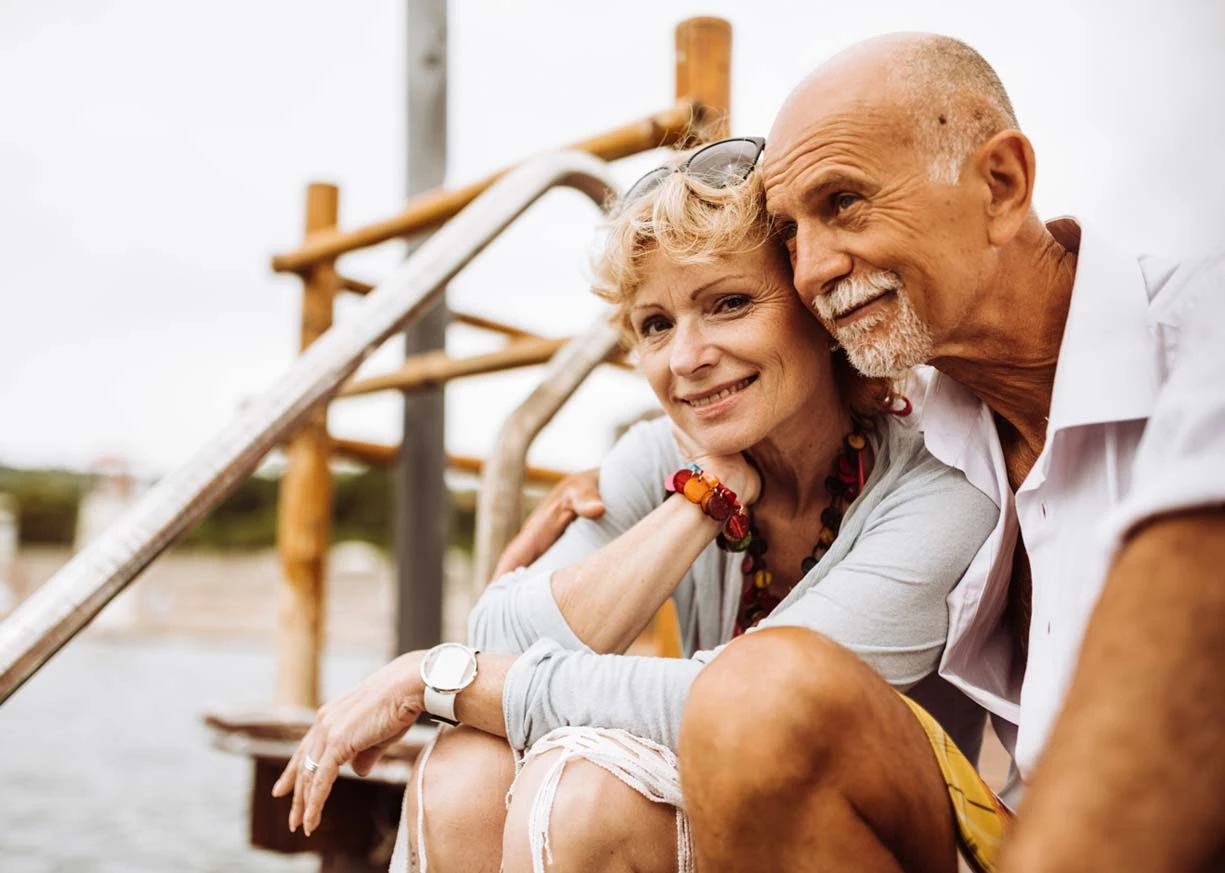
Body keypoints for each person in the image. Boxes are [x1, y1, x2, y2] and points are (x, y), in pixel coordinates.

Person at [270, 139, 1001, 873]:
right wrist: (701, 501)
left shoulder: (940, 476)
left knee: (582, 798)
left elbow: (746, 712)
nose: (685, 359)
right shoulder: (671, 454)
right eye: (656, 323)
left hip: (871, 841)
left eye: (729, 304)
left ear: (817, 308)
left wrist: (430, 676)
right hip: (732, 801)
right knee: (464, 772)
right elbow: (496, 630)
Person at [669, 32, 1225, 873]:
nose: (812, 269)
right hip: (1018, 830)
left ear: (999, 186)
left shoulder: (1200, 328)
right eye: (788, 232)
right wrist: (629, 498)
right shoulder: (915, 431)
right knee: (749, 705)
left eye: (844, 202)